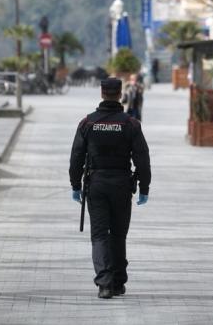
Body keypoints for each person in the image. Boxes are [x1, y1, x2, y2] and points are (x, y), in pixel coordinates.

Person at [69, 77, 151, 299]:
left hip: (96, 184)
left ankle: (104, 283)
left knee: (99, 235)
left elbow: (76, 156)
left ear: (102, 92)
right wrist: (145, 187)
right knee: (118, 234)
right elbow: (142, 158)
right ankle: (117, 281)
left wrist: (75, 185)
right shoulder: (130, 124)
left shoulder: (87, 123)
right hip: (122, 184)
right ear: (119, 93)